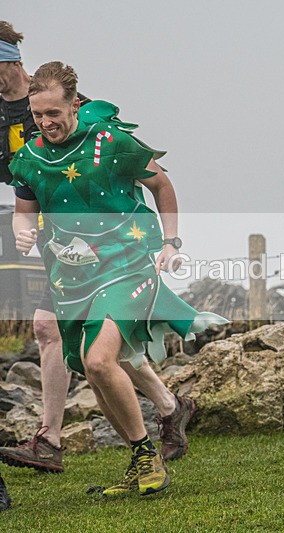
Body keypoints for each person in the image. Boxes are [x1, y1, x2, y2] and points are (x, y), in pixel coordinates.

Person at [10, 61, 227, 494]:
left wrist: (172, 243)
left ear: (75, 104)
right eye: (38, 115)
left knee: (98, 360)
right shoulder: (29, 158)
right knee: (95, 371)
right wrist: (23, 232)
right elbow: (24, 211)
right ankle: (145, 452)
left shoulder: (111, 142)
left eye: (54, 113)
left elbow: (161, 185)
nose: (46, 123)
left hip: (127, 263)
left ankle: (147, 459)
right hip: (71, 277)